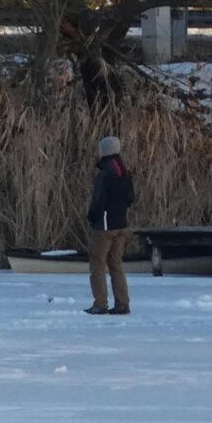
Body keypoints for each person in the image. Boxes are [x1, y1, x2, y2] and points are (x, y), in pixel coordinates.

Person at [85, 133, 133, 316]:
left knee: (97, 264)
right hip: (121, 224)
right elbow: (131, 198)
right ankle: (122, 303)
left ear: (104, 151)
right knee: (116, 264)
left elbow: (98, 200)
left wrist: (92, 217)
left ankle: (100, 303)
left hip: (104, 226)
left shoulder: (105, 173)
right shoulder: (125, 171)